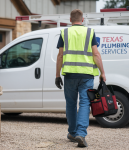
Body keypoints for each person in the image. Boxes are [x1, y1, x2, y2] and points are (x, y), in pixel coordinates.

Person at [55, 9, 106, 147]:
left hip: (70, 75)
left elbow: (60, 56)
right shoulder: (89, 32)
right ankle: (81, 134)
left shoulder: (64, 32)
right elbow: (96, 54)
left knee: (71, 104)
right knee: (85, 103)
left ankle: (72, 132)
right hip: (86, 75)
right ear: (82, 20)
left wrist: (57, 75)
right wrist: (102, 72)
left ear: (70, 20)